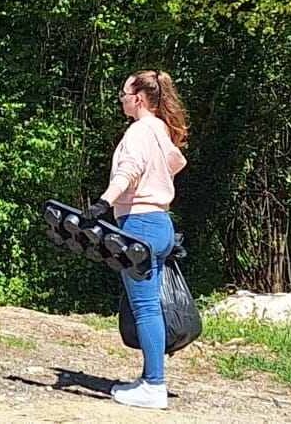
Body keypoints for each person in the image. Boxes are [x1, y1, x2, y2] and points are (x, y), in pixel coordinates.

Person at [83, 69, 189, 410]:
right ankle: (149, 378)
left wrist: (103, 203)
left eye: (124, 96)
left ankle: (154, 386)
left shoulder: (139, 131)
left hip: (139, 224)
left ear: (139, 99)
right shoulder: (160, 130)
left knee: (144, 308)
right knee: (149, 307)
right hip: (161, 223)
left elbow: (129, 171)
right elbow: (177, 162)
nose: (122, 101)